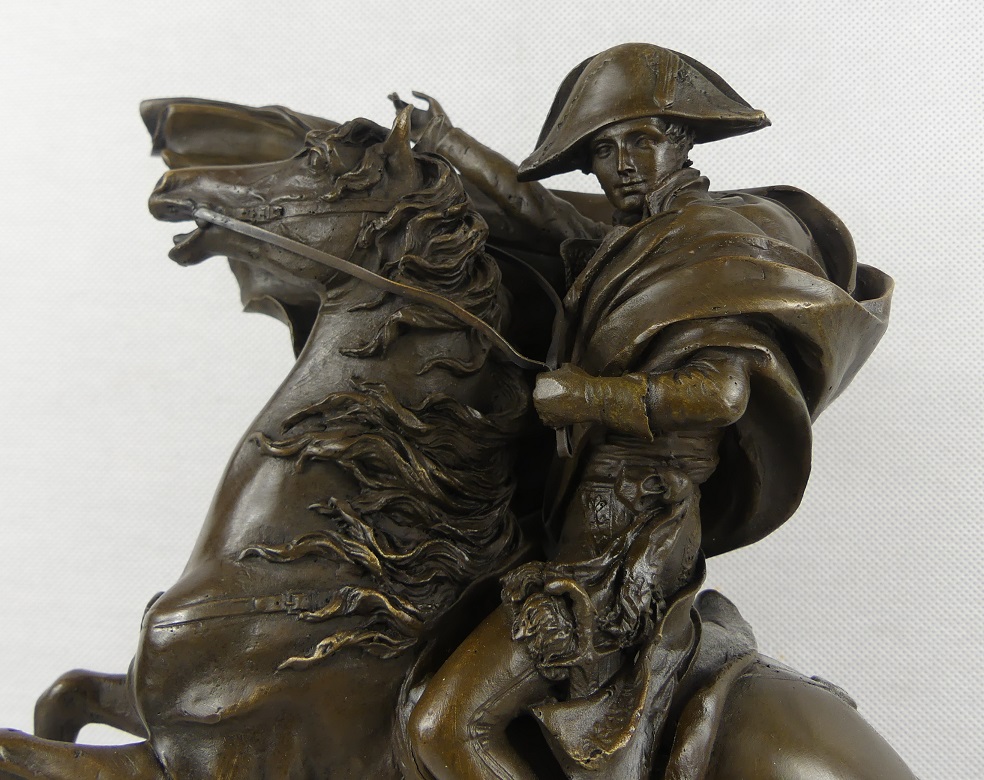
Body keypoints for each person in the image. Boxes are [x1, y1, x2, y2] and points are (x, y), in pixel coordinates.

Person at [397, 44, 893, 779]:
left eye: (641, 140)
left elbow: (720, 394)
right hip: (579, 522)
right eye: (602, 150)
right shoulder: (630, 241)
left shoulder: (714, 243)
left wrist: (585, 396)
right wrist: (447, 141)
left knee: (446, 725)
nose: (622, 164)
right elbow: (538, 212)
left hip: (628, 538)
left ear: (681, 139)